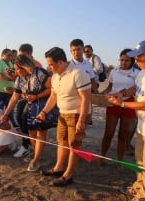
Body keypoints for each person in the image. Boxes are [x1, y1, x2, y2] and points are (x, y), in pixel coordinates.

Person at [37, 47, 91, 187]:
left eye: (51, 64)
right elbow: (53, 97)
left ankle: (68, 174)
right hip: (63, 114)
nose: (49, 68)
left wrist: (81, 120)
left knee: (75, 145)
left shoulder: (78, 73)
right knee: (62, 142)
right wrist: (44, 112)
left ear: (60, 62)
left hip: (76, 114)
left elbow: (85, 99)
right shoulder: (55, 76)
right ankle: (58, 168)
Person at [107, 38, 145, 200]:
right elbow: (135, 88)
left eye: (139, 56)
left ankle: (144, 196)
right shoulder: (143, 72)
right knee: (140, 161)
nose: (136, 60)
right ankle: (139, 186)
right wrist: (123, 93)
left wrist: (122, 104)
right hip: (143, 127)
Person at [0, 55, 52, 172]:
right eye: (15, 69)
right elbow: (14, 97)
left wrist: (37, 96)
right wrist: (6, 114)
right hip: (31, 107)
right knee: (31, 131)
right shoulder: (19, 79)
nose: (16, 72)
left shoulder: (40, 73)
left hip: (43, 106)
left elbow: (52, 89)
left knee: (40, 131)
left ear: (26, 66)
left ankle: (36, 159)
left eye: (18, 69)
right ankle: (36, 153)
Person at [100, 49, 139, 163]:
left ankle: (120, 161)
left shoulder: (137, 74)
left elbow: (136, 90)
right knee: (108, 133)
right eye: (121, 60)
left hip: (128, 104)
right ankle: (102, 157)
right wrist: (103, 93)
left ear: (132, 61)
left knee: (123, 135)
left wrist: (123, 94)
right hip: (113, 104)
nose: (123, 62)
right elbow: (110, 87)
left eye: (127, 60)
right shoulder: (114, 72)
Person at [13, 43, 44, 159]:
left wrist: (35, 96)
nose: (21, 59)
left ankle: (28, 146)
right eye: (20, 55)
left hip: (36, 99)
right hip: (25, 97)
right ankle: (26, 144)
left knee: (27, 119)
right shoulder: (19, 66)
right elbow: (19, 80)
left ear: (30, 55)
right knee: (19, 118)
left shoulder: (38, 67)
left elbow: (44, 85)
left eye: (23, 56)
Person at [70, 39, 98, 126]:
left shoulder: (88, 64)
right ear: (70, 51)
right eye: (73, 50)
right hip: (73, 99)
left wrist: (97, 92)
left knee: (83, 124)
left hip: (85, 97)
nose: (76, 52)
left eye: (78, 49)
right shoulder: (68, 66)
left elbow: (92, 79)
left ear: (83, 50)